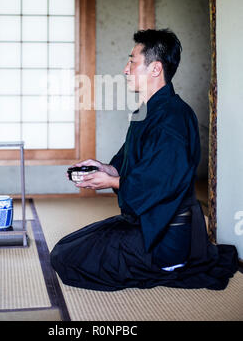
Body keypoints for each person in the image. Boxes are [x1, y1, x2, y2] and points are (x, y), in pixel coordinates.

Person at [50, 29, 238, 291]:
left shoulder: (172, 120)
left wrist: (113, 182)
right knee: (67, 247)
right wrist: (105, 168)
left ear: (155, 69)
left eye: (132, 62)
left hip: (165, 235)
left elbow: (156, 183)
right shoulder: (149, 110)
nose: (125, 69)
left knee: (69, 259)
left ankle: (172, 264)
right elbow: (130, 158)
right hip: (148, 222)